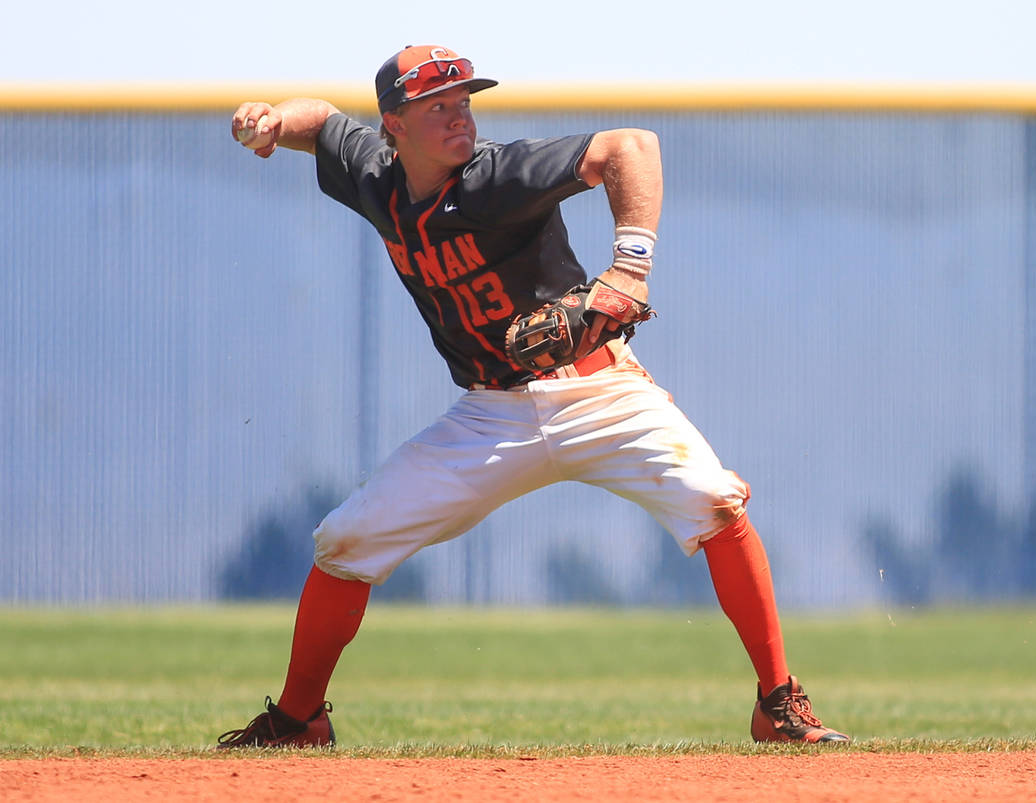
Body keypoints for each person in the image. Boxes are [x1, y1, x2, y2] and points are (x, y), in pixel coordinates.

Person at [216, 44, 849, 748]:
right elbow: (325, 121)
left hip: (600, 390)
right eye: (439, 108)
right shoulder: (375, 175)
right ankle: (299, 718)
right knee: (345, 538)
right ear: (394, 123)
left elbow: (630, 146)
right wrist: (275, 119)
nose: (460, 117)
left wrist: (630, 267)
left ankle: (778, 702)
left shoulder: (498, 177)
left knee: (715, 500)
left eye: (464, 102)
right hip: (491, 415)